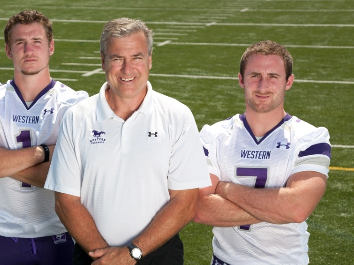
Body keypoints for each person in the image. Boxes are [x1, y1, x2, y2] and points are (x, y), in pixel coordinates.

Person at [44, 17, 211, 265]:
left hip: (160, 256)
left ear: (150, 60)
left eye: (137, 57)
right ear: (102, 61)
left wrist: (132, 252)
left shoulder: (177, 116)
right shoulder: (77, 117)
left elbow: (185, 202)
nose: (127, 69)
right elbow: (65, 202)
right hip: (94, 256)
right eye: (117, 58)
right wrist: (107, 257)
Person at [0, 10, 88, 265]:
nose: (29, 49)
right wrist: (45, 152)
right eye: (20, 43)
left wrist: (1, 161)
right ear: (9, 50)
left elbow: (73, 177)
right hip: (3, 235)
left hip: (59, 234)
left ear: (50, 47)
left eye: (37, 41)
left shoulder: (75, 103)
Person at [194, 40, 332, 265]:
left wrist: (224, 188)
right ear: (241, 80)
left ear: (289, 82)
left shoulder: (311, 137)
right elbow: (199, 208)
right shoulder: (213, 135)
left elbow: (297, 209)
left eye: (273, 77)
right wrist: (278, 209)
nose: (262, 86)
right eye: (254, 75)